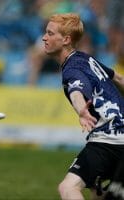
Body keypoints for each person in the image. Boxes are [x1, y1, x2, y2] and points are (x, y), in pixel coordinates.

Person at [42, 13, 124, 200]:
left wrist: (81, 110)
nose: (44, 37)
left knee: (68, 188)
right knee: (98, 193)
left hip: (107, 140)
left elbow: (76, 89)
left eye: (50, 33)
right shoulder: (87, 59)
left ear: (66, 40)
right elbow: (118, 78)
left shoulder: (72, 69)